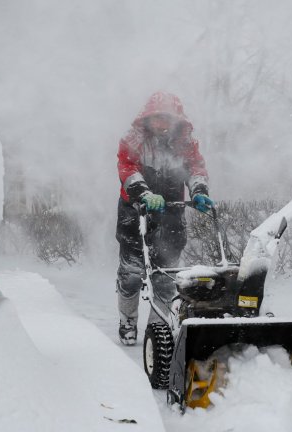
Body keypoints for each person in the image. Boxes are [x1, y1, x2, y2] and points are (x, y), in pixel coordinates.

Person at [115, 91, 214, 345]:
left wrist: (199, 190)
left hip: (171, 211)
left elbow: (196, 168)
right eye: (157, 118)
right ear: (147, 118)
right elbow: (126, 168)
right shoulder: (134, 140)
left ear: (176, 120)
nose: (162, 124)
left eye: (167, 119)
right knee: (132, 272)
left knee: (166, 274)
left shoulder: (185, 143)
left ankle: (156, 330)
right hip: (135, 210)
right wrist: (144, 193)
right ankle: (127, 320)